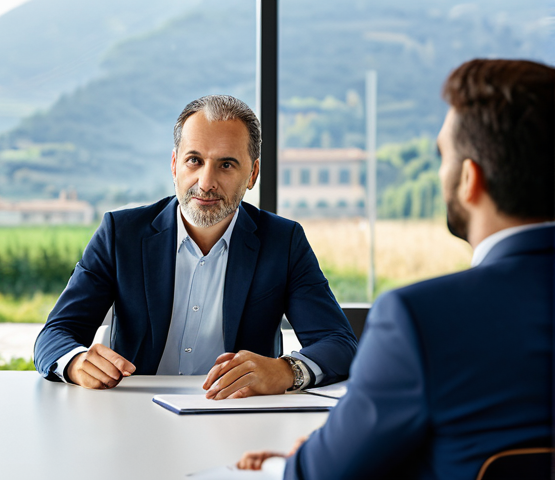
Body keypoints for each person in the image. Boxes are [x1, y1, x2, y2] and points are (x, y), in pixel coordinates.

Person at [237, 58, 555, 478]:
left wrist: (302, 459)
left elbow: (325, 474)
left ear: (469, 179)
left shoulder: (423, 319)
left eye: (444, 156)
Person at [34, 95, 357, 398]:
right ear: (175, 164)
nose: (205, 182)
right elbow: (56, 333)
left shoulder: (283, 242)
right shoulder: (121, 234)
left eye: (226, 165)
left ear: (252, 173)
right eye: (194, 160)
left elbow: (339, 343)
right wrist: (76, 362)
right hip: (133, 412)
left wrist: (288, 371)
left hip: (239, 416)